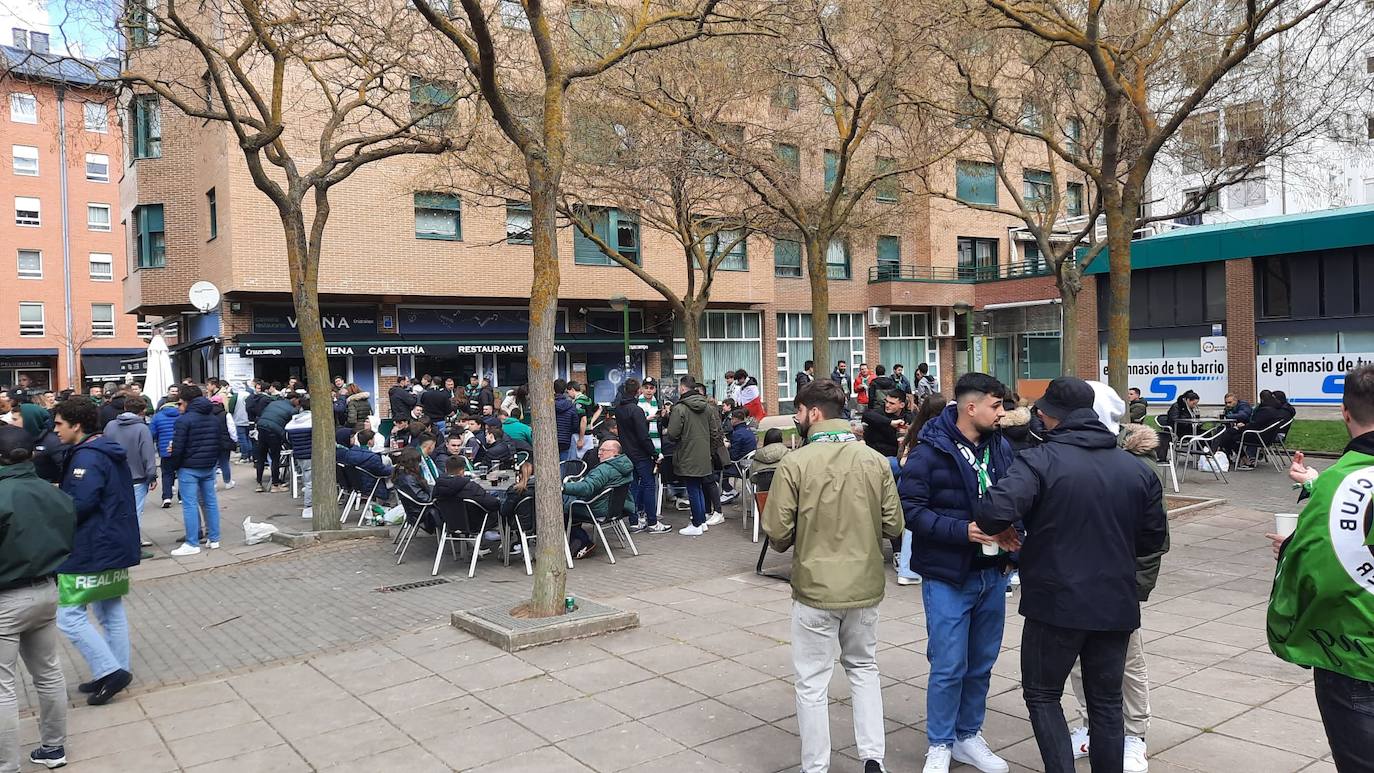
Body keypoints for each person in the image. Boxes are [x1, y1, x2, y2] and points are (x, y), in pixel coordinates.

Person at [975, 377, 1167, 773]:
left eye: (1042, 412)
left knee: (1043, 694)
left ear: (1051, 416)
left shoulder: (1038, 459)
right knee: (1106, 700)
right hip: (1114, 600)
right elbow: (1152, 541)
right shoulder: (1136, 469)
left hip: (1056, 602)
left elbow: (992, 511)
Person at [763, 379, 903, 773]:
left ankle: (816, 766)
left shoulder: (795, 462)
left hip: (813, 588)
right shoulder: (874, 460)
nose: (797, 419)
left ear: (814, 413)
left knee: (811, 682)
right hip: (864, 585)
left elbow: (776, 530)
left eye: (799, 412)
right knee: (863, 669)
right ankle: (873, 758)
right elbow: (894, 524)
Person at [900, 372, 1015, 773]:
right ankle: (940, 742)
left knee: (981, 663)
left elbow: (1019, 496)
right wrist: (961, 530)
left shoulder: (1002, 446)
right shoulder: (929, 450)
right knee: (949, 664)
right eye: (996, 405)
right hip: (949, 575)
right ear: (971, 407)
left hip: (994, 573)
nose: (1001, 414)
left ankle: (968, 736)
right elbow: (911, 511)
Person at [1267, 364, 1374, 773]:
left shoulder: (1338, 485)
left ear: (1345, 413)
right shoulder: (1331, 484)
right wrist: (1314, 481)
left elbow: (1313, 578)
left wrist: (1293, 549)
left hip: (1355, 660)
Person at [1066, 381, 1170, 773]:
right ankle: (1091, 724)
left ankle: (1134, 735)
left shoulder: (1136, 468)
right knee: (1078, 662)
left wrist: (1137, 589)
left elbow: (1154, 541)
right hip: (1075, 586)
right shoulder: (1065, 457)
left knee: (1127, 663)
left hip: (1118, 589)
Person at [51, 398, 140, 707]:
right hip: (113, 543)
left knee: (69, 617)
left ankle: (110, 670)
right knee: (109, 610)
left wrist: (53, 511)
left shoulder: (86, 458)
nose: (55, 429)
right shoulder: (104, 449)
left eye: (60, 423)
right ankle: (115, 670)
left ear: (77, 425)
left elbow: (80, 504)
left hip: (92, 545)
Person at [0, 426, 73, 771]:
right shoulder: (52, 492)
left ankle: (7, 764)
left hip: (6, 599)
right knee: (48, 673)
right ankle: (54, 747)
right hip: (47, 591)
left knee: (3, 686)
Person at [168, 386, 230, 556]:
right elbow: (220, 441)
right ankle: (214, 539)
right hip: (209, 465)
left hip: (189, 467)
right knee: (210, 502)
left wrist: (174, 464)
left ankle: (192, 543)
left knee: (189, 504)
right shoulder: (213, 417)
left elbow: (178, 447)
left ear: (185, 401)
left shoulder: (184, 420)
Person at [894, 394, 947, 588]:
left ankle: (907, 570)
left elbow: (901, 457)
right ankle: (915, 568)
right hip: (930, 482)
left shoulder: (916, 427)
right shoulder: (944, 428)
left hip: (909, 481)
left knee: (912, 523)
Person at [613, 379, 669, 534]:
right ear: (638, 390)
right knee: (649, 485)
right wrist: (655, 453)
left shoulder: (619, 409)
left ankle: (634, 521)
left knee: (634, 487)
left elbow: (627, 431)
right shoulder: (636, 410)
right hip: (641, 454)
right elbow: (643, 436)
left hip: (628, 452)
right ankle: (652, 522)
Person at [562, 440, 635, 559]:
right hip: (616, 508)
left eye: (603, 450)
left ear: (614, 453)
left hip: (597, 509)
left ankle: (583, 542)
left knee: (563, 511)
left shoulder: (604, 470)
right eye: (599, 450)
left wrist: (563, 487)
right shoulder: (625, 466)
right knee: (571, 506)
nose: (599, 453)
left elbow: (587, 488)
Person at [102, 399, 157, 550]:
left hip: (114, 475)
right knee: (135, 511)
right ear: (142, 410)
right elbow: (148, 453)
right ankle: (133, 542)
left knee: (117, 510)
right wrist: (151, 475)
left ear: (125, 407)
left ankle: (118, 539)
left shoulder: (110, 425)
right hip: (137, 476)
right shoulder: (142, 428)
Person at [666, 376, 714, 536]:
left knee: (692, 488)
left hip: (687, 452)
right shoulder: (707, 406)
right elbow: (714, 430)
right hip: (704, 453)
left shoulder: (679, 408)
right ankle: (701, 521)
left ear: (682, 388)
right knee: (698, 487)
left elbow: (672, 433)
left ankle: (697, 523)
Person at [432, 456, 500, 537]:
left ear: (446, 470)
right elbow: (493, 503)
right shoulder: (470, 487)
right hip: (474, 523)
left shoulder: (438, 486)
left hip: (447, 522)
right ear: (462, 471)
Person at [255, 391, 297, 493]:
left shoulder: (273, 403)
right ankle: (275, 485)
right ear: (294, 399)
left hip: (261, 427)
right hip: (274, 431)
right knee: (275, 458)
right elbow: (291, 426)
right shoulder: (292, 410)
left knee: (261, 457)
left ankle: (259, 484)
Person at [285, 398, 315, 520]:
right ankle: (308, 507)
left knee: (306, 479)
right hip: (310, 454)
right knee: (310, 482)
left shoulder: (293, 422)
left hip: (299, 454)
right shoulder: (313, 421)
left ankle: (309, 502)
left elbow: (287, 439)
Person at [149, 397, 181, 508]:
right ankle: (181, 497)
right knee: (181, 473)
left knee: (167, 474)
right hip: (180, 449)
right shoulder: (181, 414)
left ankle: (167, 497)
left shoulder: (157, 417)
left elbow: (152, 434)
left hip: (165, 450)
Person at [721, 407, 757, 501]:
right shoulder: (749, 431)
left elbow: (733, 456)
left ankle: (729, 491)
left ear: (736, 419)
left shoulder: (737, 434)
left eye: (732, 419)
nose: (731, 421)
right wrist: (730, 445)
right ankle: (729, 491)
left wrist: (726, 448)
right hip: (750, 465)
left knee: (716, 471)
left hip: (740, 467)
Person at [862, 390, 910, 458]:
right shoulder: (879, 411)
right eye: (886, 401)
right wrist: (890, 422)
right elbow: (867, 415)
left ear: (901, 405)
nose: (887, 405)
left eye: (892, 403)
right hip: (877, 453)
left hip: (898, 453)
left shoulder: (907, 416)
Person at [554, 380, 582, 462]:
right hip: (566, 439)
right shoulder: (571, 405)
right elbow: (575, 423)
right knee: (563, 463)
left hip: (553, 439)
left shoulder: (549, 405)